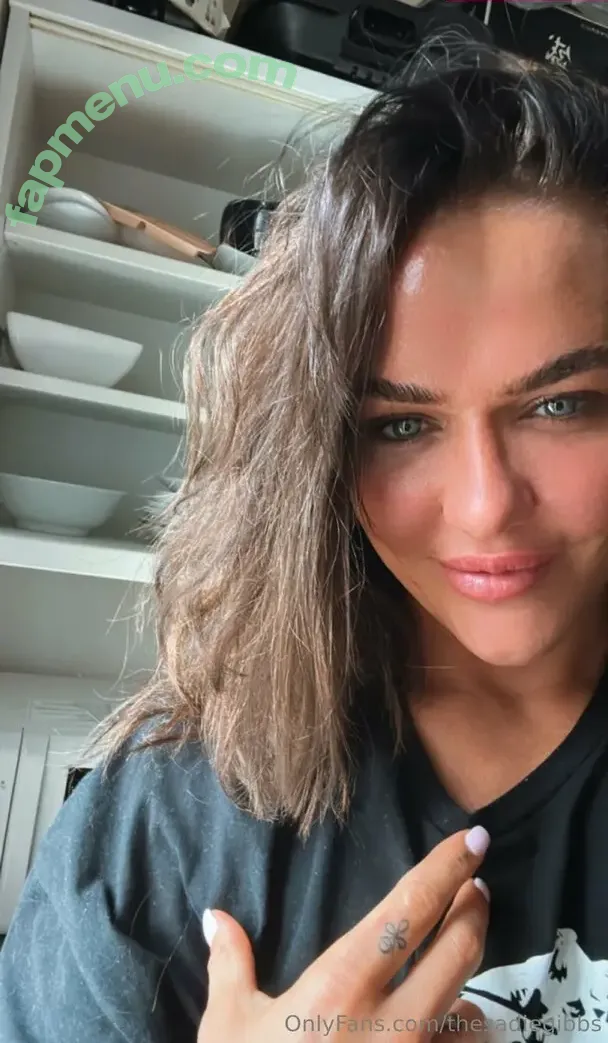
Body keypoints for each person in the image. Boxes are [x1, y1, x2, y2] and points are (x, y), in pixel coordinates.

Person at [2, 32, 608, 1043]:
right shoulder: (166, 826)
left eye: (561, 404)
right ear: (320, 453)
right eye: (400, 425)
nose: (483, 506)